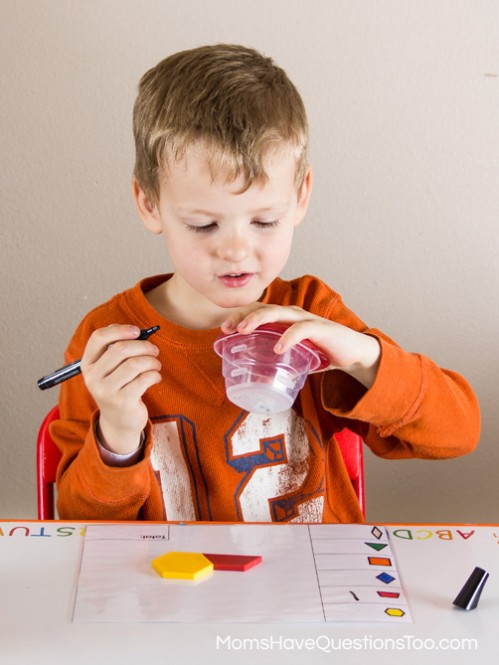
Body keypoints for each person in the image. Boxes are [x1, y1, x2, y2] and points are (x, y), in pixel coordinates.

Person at [51, 44, 480, 522]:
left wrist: (361, 354)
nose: (236, 250)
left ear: (300, 198)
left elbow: (458, 432)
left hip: (316, 589)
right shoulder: (108, 340)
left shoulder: (311, 313)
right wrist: (117, 431)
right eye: (202, 224)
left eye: (265, 221)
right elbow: (76, 531)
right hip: (174, 592)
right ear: (149, 204)